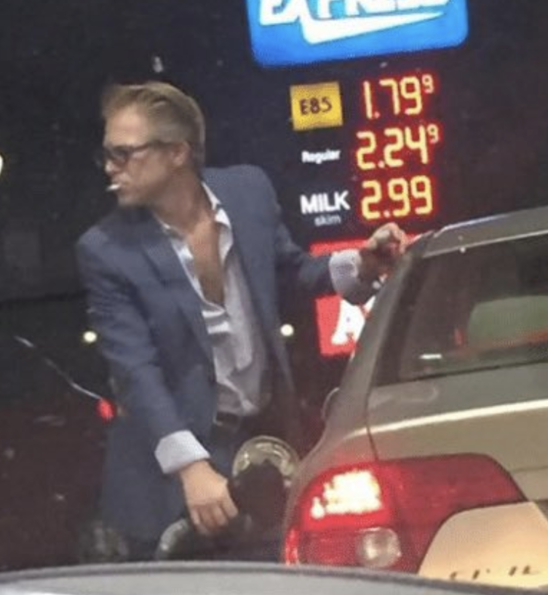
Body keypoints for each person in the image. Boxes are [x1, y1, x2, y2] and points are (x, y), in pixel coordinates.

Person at [76, 81, 405, 560]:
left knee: (283, 585)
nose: (110, 167)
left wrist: (361, 266)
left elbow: (288, 272)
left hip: (262, 448)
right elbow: (135, 372)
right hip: (166, 477)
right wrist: (191, 468)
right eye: (106, 154)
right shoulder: (106, 250)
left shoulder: (248, 193)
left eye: (123, 154)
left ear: (177, 153)